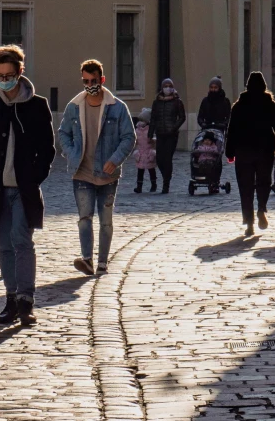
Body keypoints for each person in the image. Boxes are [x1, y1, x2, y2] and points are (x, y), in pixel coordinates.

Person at [0, 45, 56, 326]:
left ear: (19, 73)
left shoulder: (37, 105)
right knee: (4, 243)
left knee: (22, 240)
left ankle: (26, 300)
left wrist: (35, 176)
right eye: (0, 75)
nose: (5, 79)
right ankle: (11, 298)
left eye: (10, 74)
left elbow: (47, 148)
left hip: (24, 189)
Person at [58, 59, 137, 276]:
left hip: (107, 174)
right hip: (81, 171)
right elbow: (63, 132)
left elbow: (129, 137)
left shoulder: (117, 108)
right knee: (85, 218)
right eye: (86, 81)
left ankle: (102, 262)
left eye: (94, 80)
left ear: (102, 80)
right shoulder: (74, 107)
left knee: (106, 221)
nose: (90, 85)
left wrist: (116, 158)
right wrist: (71, 152)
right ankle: (87, 259)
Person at [226, 72, 275, 236]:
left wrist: (230, 152)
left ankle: (249, 222)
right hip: (264, 149)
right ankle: (262, 208)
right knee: (264, 181)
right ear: (264, 86)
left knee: (246, 186)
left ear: (247, 86)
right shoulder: (269, 105)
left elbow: (232, 130)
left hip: (244, 150)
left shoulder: (239, 106)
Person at [150, 79, 186, 194]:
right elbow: (153, 118)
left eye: (169, 86)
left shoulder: (177, 101)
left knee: (167, 158)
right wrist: (150, 132)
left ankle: (166, 183)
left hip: (172, 135)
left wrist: (174, 127)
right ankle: (165, 176)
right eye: (165, 86)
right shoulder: (157, 102)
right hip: (160, 133)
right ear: (162, 87)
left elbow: (182, 117)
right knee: (160, 159)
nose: (167, 88)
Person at [133, 108, 157, 194]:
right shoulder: (137, 129)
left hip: (148, 152)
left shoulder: (150, 129)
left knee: (151, 170)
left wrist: (153, 141)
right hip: (140, 152)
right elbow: (135, 140)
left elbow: (154, 140)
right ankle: (139, 187)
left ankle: (154, 184)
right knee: (140, 171)